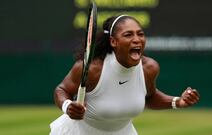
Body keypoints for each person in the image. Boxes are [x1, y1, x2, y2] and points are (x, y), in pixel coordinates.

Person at [50, 15, 200, 135]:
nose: (136, 39)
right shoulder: (93, 69)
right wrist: (68, 106)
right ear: (114, 42)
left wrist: (177, 102)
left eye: (140, 34)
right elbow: (62, 90)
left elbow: (150, 97)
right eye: (128, 35)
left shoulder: (149, 68)